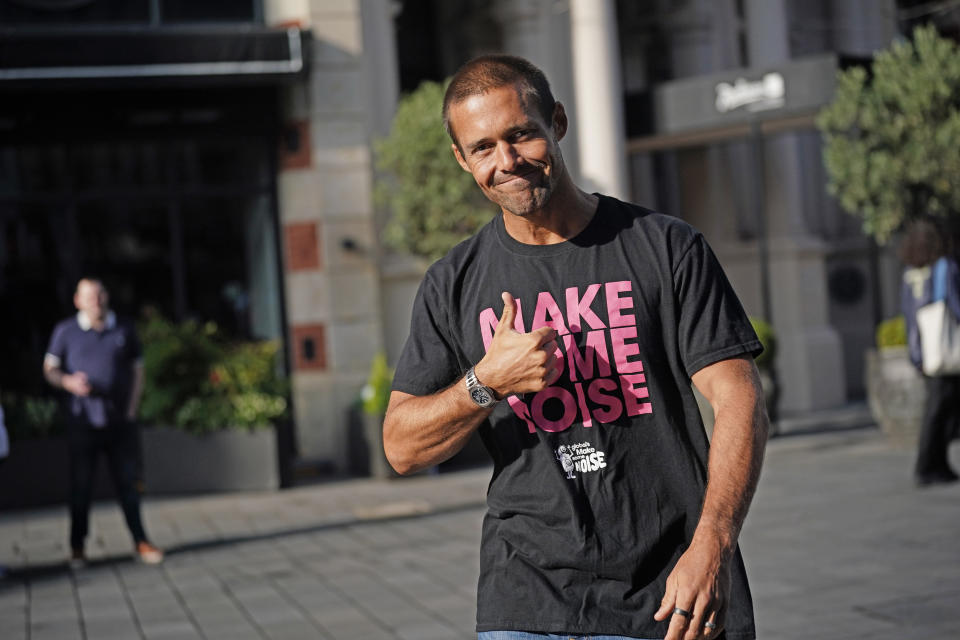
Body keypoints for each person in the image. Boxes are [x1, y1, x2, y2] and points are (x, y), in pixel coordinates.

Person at [383, 55, 768, 640]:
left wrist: (712, 545)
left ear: (557, 122)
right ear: (462, 160)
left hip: (669, 595)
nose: (506, 162)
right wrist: (487, 382)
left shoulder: (664, 248)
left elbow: (739, 399)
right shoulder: (453, 282)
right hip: (528, 598)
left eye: (521, 135)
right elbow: (401, 447)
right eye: (482, 148)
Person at [44, 278, 164, 566]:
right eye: (89, 297)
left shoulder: (123, 328)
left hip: (119, 421)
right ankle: (77, 548)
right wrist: (68, 382)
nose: (95, 301)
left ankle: (141, 541)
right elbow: (50, 369)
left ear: (106, 297)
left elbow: (138, 370)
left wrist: (132, 409)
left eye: (99, 295)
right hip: (83, 423)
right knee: (81, 487)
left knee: (128, 484)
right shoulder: (66, 331)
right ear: (78, 301)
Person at [900, 219, 960, 486]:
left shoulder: (911, 274)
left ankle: (938, 464)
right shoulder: (944, 268)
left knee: (939, 408)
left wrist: (916, 355)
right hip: (944, 350)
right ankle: (927, 466)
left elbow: (910, 318)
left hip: (926, 351)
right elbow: (953, 304)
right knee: (939, 410)